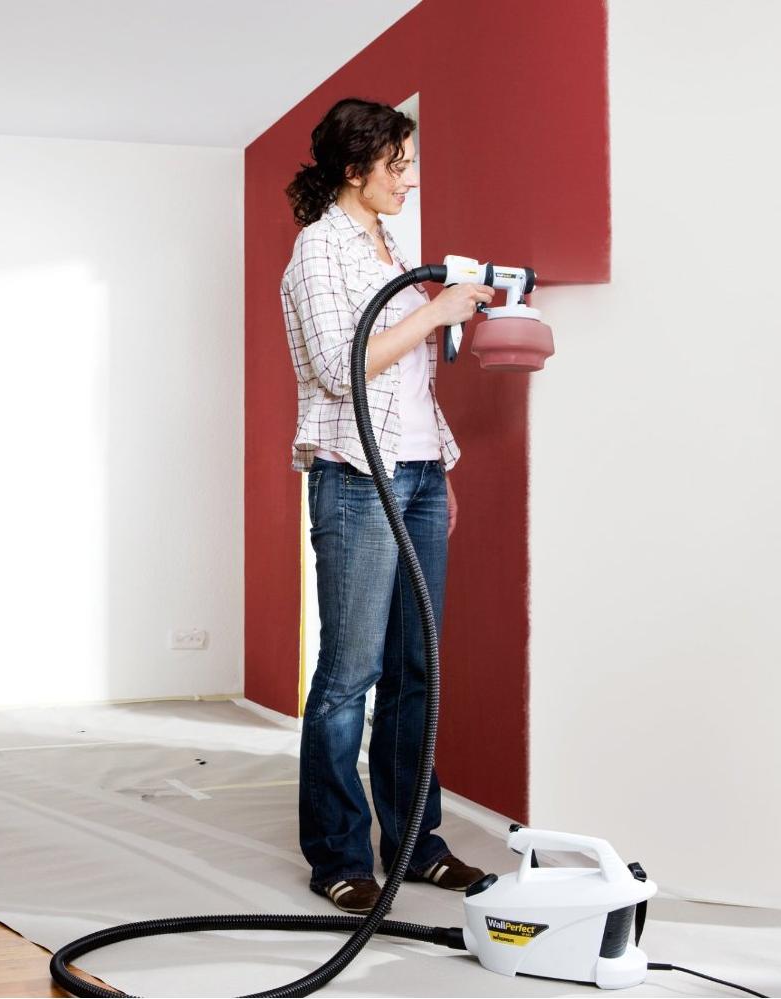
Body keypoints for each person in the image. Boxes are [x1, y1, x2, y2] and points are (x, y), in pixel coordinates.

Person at [281, 97, 494, 914]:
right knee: (350, 673)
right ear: (353, 169)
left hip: (418, 472)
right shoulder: (318, 251)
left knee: (416, 667)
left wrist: (437, 465)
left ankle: (414, 844)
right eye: (396, 165)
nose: (410, 179)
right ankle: (337, 855)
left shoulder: (389, 246)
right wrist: (436, 308)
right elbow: (340, 365)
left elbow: (406, 374)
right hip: (356, 476)